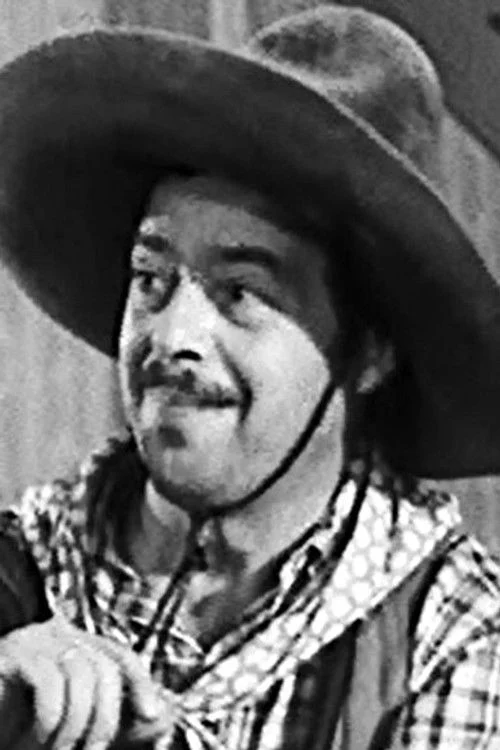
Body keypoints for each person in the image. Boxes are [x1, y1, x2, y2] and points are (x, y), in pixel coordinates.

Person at [0, 4, 499, 749]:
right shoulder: (27, 561)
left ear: (369, 351)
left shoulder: (449, 639)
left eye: (241, 292)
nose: (173, 336)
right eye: (151, 278)